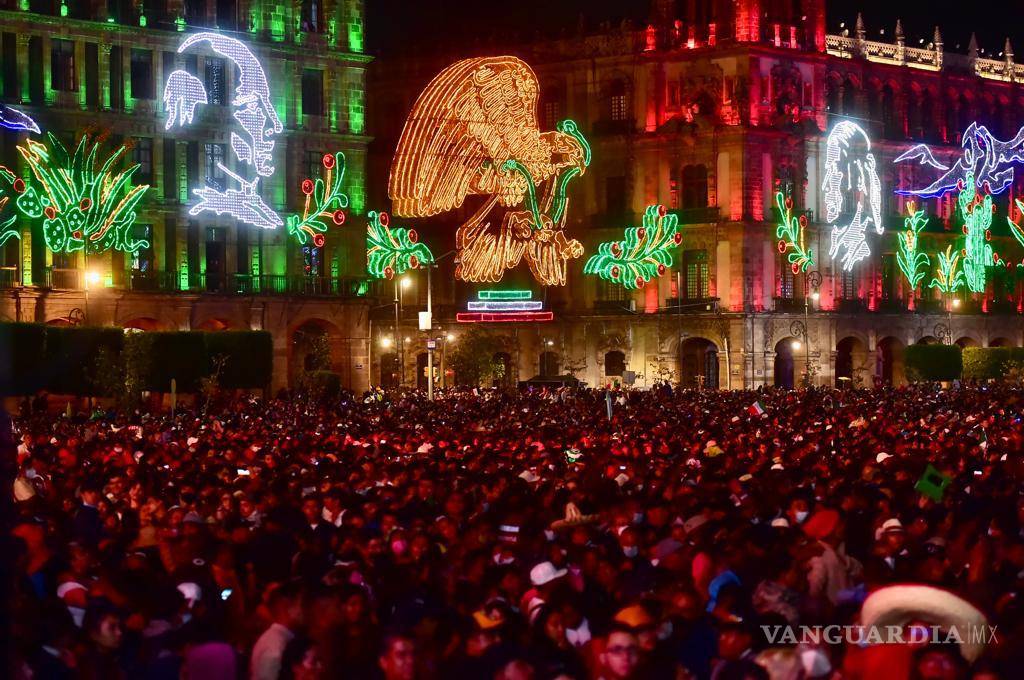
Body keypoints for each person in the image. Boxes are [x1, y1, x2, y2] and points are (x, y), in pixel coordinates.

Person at [251, 582, 304, 680]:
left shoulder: (279, 640)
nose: (305, 610)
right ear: (287, 606)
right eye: (302, 604)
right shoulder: (275, 649)